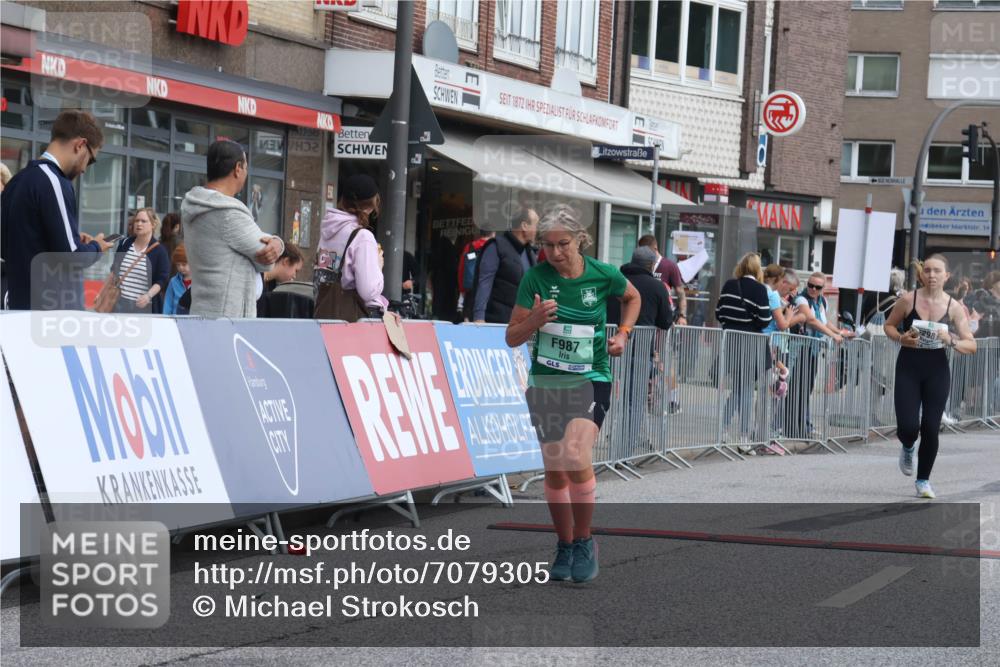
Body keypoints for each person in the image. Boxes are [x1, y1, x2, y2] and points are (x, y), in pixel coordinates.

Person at [505, 204, 640, 584]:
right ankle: (564, 545)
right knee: (555, 469)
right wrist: (534, 320)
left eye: (563, 244)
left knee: (575, 454)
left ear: (580, 240)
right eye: (547, 246)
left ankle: (584, 539)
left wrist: (623, 334)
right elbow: (511, 336)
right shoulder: (534, 279)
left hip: (591, 377)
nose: (555, 253)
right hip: (547, 382)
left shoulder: (603, 275)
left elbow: (633, 298)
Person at [1, 110, 115, 310]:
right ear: (80, 145)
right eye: (91, 159)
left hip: (20, 307)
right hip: (52, 313)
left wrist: (67, 237)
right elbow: (72, 255)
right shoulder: (54, 181)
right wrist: (97, 247)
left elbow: (7, 245)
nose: (85, 169)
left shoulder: (17, 181)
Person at [883, 255, 976, 499]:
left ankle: (923, 481)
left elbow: (971, 345)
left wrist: (951, 340)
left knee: (931, 427)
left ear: (947, 276)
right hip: (908, 368)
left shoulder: (954, 307)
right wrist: (901, 338)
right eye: (928, 270)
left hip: (937, 371)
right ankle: (907, 445)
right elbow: (889, 326)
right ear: (922, 274)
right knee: (909, 426)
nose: (932, 275)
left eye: (937, 271)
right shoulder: (907, 300)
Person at [181, 140, 283, 318]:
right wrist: (277, 243)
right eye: (245, 167)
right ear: (237, 168)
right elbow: (265, 259)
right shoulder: (228, 212)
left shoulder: (193, 204)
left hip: (201, 310)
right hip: (229, 319)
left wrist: (276, 243)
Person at [715, 253, 772, 443]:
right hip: (750, 343)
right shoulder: (760, 289)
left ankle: (723, 429)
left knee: (739, 388)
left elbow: (719, 312)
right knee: (746, 389)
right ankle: (744, 434)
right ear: (758, 270)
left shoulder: (729, 285)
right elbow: (764, 320)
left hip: (730, 341)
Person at [314, 173, 388, 320]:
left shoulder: (329, 229)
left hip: (325, 314)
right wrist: (378, 266)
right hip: (352, 322)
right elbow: (368, 291)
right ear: (372, 204)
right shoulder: (363, 237)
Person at [474, 207, 539, 323]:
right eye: (535, 225)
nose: (537, 230)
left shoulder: (531, 253)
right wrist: (479, 317)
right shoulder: (496, 246)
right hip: (497, 322)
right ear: (524, 226)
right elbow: (484, 283)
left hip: (522, 324)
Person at [111, 208, 170, 314]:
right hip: (120, 304)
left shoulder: (160, 251)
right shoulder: (125, 243)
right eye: (136, 221)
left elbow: (162, 280)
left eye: (143, 221)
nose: (139, 224)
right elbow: (114, 270)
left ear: (153, 224)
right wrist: (103, 293)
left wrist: (148, 296)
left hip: (144, 307)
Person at [637, 235, 688, 326]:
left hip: (661, 317)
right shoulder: (641, 264)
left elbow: (680, 292)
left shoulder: (670, 266)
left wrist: (682, 316)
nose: (643, 254)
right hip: (642, 315)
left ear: (655, 248)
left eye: (646, 251)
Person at [457, 229, 494, 321]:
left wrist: (462, 289)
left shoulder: (469, 247)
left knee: (468, 320)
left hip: (471, 288)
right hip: (489, 290)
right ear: (493, 234)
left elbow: (462, 269)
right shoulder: (494, 248)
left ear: (480, 234)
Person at [163, 245, 192, 315]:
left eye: (184, 264)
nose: (180, 267)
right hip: (175, 320)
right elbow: (168, 304)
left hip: (194, 321)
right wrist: (166, 320)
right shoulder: (173, 282)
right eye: (178, 265)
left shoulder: (199, 282)